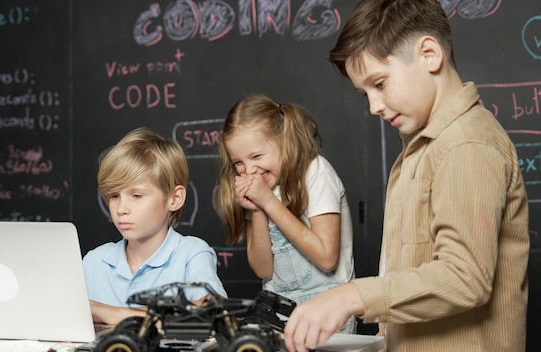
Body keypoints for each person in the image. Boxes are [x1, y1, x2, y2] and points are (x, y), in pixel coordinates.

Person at [283, 1, 530, 351]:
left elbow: (466, 277)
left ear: (429, 54)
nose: (373, 105)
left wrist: (349, 296)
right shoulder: (421, 149)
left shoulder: (464, 144)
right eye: (365, 93)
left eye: (380, 83)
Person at [217, 94, 356, 333]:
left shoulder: (316, 172)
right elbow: (264, 270)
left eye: (257, 156)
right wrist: (257, 209)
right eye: (238, 162)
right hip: (278, 313)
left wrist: (268, 202)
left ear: (284, 142)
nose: (249, 170)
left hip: (328, 309)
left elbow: (326, 257)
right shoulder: (262, 191)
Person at [83, 127, 227, 326]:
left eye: (136, 196)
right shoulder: (94, 261)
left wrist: (114, 314)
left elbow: (211, 310)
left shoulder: (190, 254)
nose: (121, 209)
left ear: (175, 198)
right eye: (114, 196)